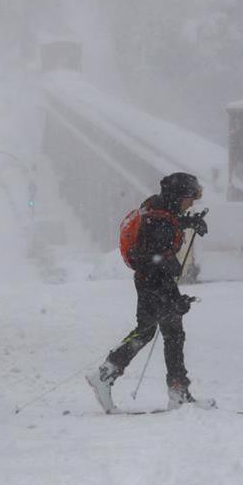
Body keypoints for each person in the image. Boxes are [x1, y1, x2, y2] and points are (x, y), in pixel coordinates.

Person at [86, 172, 209, 412]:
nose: (191, 203)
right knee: (166, 334)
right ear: (177, 196)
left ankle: (107, 375)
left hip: (148, 281)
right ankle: (175, 393)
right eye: (189, 198)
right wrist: (175, 299)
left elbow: (167, 223)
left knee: (153, 332)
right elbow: (155, 259)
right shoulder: (161, 222)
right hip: (154, 282)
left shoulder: (156, 207)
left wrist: (190, 222)